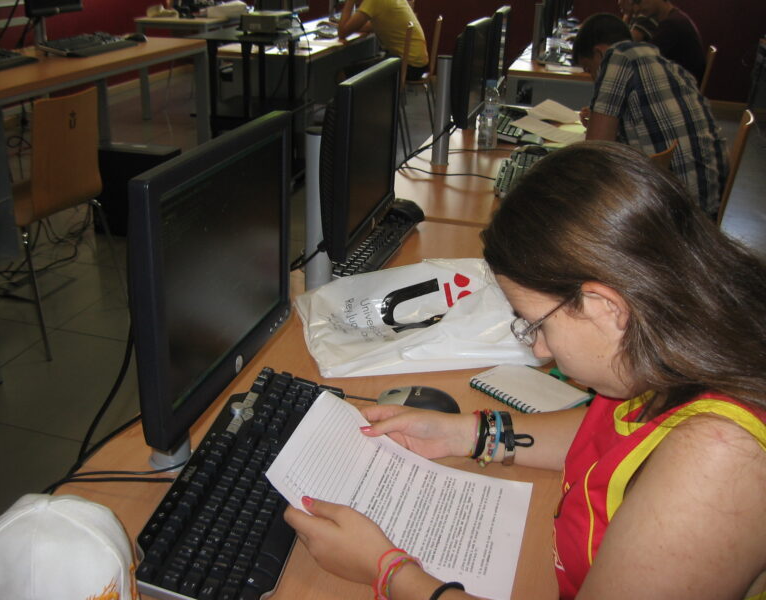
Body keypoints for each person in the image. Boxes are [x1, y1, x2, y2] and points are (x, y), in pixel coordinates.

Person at [284, 141, 766, 600]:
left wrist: (389, 571)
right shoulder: (681, 340)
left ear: (605, 307)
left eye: (537, 324)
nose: (538, 349)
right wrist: (466, 434)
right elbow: (610, 434)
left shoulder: (719, 461)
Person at [573, 13, 727, 218]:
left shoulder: (617, 58)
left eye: (589, 69)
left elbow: (596, 154)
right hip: (704, 206)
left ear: (599, 53)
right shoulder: (663, 63)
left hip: (675, 215)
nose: (594, 78)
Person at [336, 0, 429, 80]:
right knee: (358, 65)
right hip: (417, 63)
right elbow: (369, 26)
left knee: (344, 75)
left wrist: (350, 1)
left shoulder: (373, 1)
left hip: (408, 67)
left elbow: (342, 33)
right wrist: (351, 26)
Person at [635, 0, 706, 82]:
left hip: (683, 85)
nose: (637, 8)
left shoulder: (671, 24)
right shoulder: (676, 18)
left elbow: (647, 59)